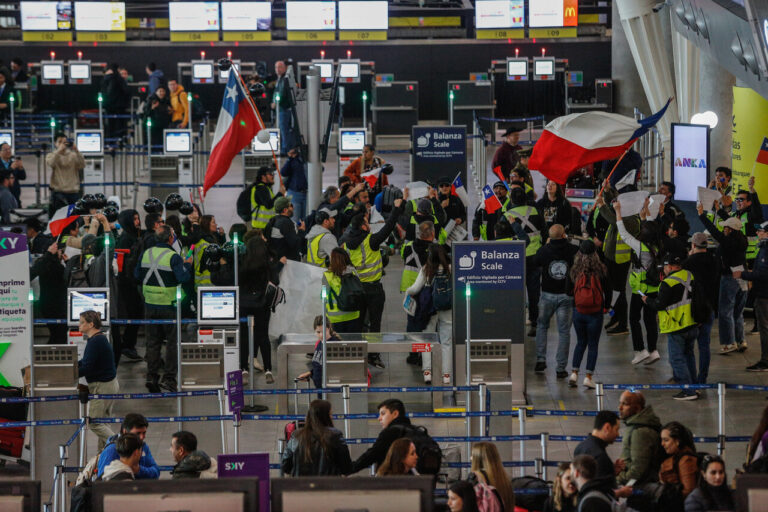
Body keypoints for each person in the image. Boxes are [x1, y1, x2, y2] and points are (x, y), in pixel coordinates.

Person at [340, 196, 405, 368]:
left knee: (359, 323)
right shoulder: (371, 240)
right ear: (363, 225)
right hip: (374, 290)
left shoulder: (345, 244)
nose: (369, 224)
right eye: (367, 222)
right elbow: (388, 226)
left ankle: (357, 354)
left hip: (356, 290)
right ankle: (373, 355)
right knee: (375, 324)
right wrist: (397, 208)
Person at [211, 234, 279, 382]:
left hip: (243, 304)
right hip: (262, 304)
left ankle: (244, 369)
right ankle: (268, 370)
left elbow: (231, 279)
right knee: (263, 336)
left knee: (243, 337)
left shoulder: (241, 262)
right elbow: (276, 281)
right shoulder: (267, 263)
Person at [134, 225, 193, 392]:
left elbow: (137, 276)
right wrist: (187, 265)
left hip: (150, 305)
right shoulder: (173, 257)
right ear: (170, 239)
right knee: (172, 343)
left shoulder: (146, 254)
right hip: (169, 306)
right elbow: (183, 278)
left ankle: (152, 377)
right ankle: (169, 379)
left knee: (152, 343)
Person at [643, 254, 700, 400]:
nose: (665, 270)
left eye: (665, 267)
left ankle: (688, 391)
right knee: (689, 356)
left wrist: (647, 299)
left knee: (676, 359)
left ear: (669, 267)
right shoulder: (689, 275)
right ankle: (694, 386)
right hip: (692, 323)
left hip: (676, 326)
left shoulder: (667, 283)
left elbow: (659, 304)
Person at [615, 200, 662, 365]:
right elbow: (650, 229)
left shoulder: (640, 246)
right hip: (654, 288)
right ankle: (653, 350)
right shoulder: (657, 245)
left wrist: (618, 211)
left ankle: (640, 350)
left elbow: (624, 234)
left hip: (640, 290)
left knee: (634, 319)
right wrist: (645, 216)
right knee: (650, 320)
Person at [699, 203, 749, 354]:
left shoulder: (728, 241)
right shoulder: (742, 238)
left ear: (730, 230)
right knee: (738, 311)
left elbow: (714, 232)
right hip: (743, 277)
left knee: (725, 311)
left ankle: (728, 343)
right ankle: (741, 340)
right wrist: (718, 210)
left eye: (726, 228)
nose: (723, 229)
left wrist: (702, 215)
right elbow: (732, 221)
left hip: (730, 278)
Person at [533, 224, 579, 377]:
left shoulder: (544, 250)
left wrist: (546, 246)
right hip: (567, 296)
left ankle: (540, 359)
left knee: (542, 326)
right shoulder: (572, 250)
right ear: (564, 235)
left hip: (547, 295)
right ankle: (560, 368)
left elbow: (535, 262)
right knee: (564, 332)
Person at [406, 243, 453, 384]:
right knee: (446, 342)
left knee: (427, 340)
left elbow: (415, 289)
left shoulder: (427, 269)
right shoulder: (450, 269)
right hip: (447, 307)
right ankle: (446, 375)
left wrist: (407, 292)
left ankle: (427, 372)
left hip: (429, 309)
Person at [567, 240, 611, 388]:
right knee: (593, 345)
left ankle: (573, 373)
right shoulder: (601, 269)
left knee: (580, 342)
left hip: (578, 311)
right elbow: (608, 291)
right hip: (595, 312)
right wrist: (605, 307)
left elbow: (568, 291)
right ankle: (588, 377)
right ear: (595, 253)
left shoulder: (574, 270)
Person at [504, 187, 545, 336]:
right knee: (534, 293)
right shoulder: (535, 211)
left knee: (516, 291)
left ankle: (515, 323)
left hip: (515, 259)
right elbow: (544, 231)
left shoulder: (507, 216)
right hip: (535, 256)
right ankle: (534, 322)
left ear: (512, 200)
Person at [77, 310, 119, 449]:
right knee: (104, 422)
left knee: (95, 422)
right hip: (110, 384)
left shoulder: (95, 341)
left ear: (91, 324)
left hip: (102, 386)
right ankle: (104, 457)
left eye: (82, 322)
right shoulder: (98, 339)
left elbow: (87, 367)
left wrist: (69, 374)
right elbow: (86, 361)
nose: (79, 325)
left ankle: (120, 444)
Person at [281, 399, 352, 476]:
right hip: (329, 485)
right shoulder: (335, 436)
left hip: (301, 486)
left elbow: (285, 466)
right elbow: (346, 468)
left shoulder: (296, 436)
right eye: (330, 414)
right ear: (325, 416)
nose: (332, 417)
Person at [684, 232, 719, 383]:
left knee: (689, 346)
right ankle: (702, 378)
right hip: (710, 306)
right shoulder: (715, 261)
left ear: (693, 245)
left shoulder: (688, 263)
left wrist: (689, 256)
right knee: (704, 345)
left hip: (693, 308)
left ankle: (691, 378)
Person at [735, 220, 768, 371]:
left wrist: (743, 274)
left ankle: (766, 361)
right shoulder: (763, 248)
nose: (757, 233)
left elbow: (763, 273)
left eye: (761, 231)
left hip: (765, 295)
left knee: (765, 328)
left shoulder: (766, 250)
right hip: (762, 293)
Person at [350, 398, 412, 473]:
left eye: (383, 414)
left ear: (395, 414)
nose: (379, 418)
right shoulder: (415, 430)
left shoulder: (390, 433)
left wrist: (351, 468)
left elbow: (372, 454)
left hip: (393, 480)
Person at [615, 391, 662, 488]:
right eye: (620, 403)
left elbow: (638, 471)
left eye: (625, 404)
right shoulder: (636, 425)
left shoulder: (640, 432)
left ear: (637, 408)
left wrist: (617, 479)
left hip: (641, 488)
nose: (620, 408)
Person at [114, 208, 143, 363]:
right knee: (135, 312)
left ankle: (128, 344)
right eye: (135, 219)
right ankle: (128, 345)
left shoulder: (133, 236)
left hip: (130, 281)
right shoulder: (127, 239)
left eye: (138, 218)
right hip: (128, 282)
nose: (138, 222)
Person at [98, 413, 160, 479]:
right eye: (138, 433)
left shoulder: (143, 446)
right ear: (125, 431)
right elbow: (103, 482)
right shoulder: (111, 451)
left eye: (144, 433)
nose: (142, 437)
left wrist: (139, 470)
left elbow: (156, 472)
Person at [30, 242, 67, 344]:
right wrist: (68, 262)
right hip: (59, 307)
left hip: (45, 305)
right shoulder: (59, 268)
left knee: (55, 333)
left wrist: (48, 254)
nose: (61, 253)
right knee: (60, 334)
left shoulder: (43, 265)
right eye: (60, 251)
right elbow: (69, 279)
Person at [574, 411, 620, 488]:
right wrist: (620, 492)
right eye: (616, 429)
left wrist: (610, 471)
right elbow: (599, 491)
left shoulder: (580, 447)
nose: (618, 434)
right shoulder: (600, 456)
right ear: (607, 427)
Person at [322, 248, 363, 333]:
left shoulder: (327, 275)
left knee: (338, 344)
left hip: (335, 318)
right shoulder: (353, 272)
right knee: (352, 344)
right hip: (353, 315)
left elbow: (324, 297)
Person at [296, 316, 341, 389]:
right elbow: (319, 365)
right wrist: (310, 373)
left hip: (329, 390)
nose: (321, 335)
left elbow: (334, 369)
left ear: (329, 329)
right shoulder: (320, 343)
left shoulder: (334, 345)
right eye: (318, 332)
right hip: (320, 388)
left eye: (324, 331)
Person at [468, 442, 515, 512]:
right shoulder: (504, 479)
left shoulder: (474, 477)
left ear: (477, 459)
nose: (470, 458)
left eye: (472, 455)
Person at [46, 133, 85, 214]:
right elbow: (51, 163)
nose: (62, 144)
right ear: (55, 143)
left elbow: (82, 165)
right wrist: (58, 151)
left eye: (64, 142)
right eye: (59, 142)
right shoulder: (51, 155)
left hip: (73, 192)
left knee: (74, 218)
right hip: (58, 192)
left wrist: (77, 151)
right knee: (59, 218)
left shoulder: (73, 155)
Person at [658, 422, 698, 498]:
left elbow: (689, 491)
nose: (662, 444)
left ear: (677, 441)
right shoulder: (677, 459)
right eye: (662, 440)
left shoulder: (686, 460)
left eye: (666, 440)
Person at [266, 196, 306, 262]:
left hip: (277, 260)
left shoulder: (273, 220)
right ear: (285, 210)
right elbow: (296, 244)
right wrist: (301, 230)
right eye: (291, 205)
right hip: (288, 262)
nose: (293, 208)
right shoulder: (285, 223)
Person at [192, 214, 225, 289]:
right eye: (213, 222)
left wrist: (222, 235)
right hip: (207, 283)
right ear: (207, 224)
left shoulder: (203, 239)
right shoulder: (207, 244)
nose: (216, 225)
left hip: (202, 282)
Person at [101, 63, 131, 139]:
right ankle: (121, 143)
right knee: (121, 126)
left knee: (110, 126)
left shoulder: (105, 79)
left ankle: (110, 143)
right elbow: (126, 91)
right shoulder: (119, 80)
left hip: (109, 107)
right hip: (120, 107)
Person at [281, 146, 308, 222]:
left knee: (305, 220)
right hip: (295, 193)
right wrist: (290, 158)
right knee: (294, 219)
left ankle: (302, 233)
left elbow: (320, 169)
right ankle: (295, 233)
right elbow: (283, 172)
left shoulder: (306, 160)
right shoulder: (292, 161)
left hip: (307, 193)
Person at [0, 142, 24, 207]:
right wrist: (11, 168)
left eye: (9, 149)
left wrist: (21, 168)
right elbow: (2, 174)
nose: (8, 151)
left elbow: (23, 177)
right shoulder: (12, 166)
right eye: (5, 150)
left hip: (15, 196)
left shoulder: (13, 163)